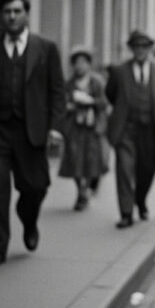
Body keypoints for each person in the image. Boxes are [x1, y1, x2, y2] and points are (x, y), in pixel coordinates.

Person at [0, 0, 65, 267]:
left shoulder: (46, 48)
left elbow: (57, 90)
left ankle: (29, 219)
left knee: (35, 187)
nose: (12, 16)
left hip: (30, 130)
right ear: (1, 16)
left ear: (26, 14)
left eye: (17, 11)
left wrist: (55, 127)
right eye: (7, 12)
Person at [106, 30, 155, 228]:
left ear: (150, 49)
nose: (140, 50)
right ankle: (126, 213)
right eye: (136, 47)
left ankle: (140, 200)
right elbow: (110, 94)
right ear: (131, 49)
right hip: (126, 129)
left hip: (150, 129)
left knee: (147, 169)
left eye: (144, 47)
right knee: (124, 169)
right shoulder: (119, 71)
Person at [59, 46, 108, 211]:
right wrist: (70, 106)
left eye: (83, 62)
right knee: (75, 160)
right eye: (77, 63)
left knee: (91, 160)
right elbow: (62, 104)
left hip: (92, 127)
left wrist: (91, 101)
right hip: (74, 127)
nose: (80, 66)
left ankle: (87, 187)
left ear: (88, 64)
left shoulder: (96, 82)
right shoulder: (69, 84)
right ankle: (81, 190)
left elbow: (104, 103)